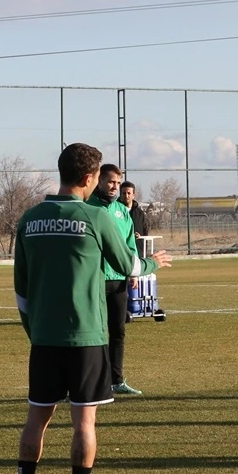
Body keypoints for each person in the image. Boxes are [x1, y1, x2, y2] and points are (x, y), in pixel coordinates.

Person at [13, 143, 171, 474]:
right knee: (84, 423)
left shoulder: (29, 219)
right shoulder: (95, 217)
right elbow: (127, 263)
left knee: (37, 418)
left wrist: (33, 331)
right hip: (86, 338)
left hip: (45, 338)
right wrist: (154, 262)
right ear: (89, 178)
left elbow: (21, 289)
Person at [87, 164, 142, 395]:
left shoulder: (122, 212)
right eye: (110, 182)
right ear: (99, 181)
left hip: (119, 280)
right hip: (95, 280)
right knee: (93, 333)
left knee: (117, 330)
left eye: (118, 183)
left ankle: (116, 380)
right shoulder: (87, 207)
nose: (115, 187)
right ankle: (92, 382)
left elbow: (130, 244)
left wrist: (133, 271)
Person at [120, 180, 150, 252]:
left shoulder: (140, 214)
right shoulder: (114, 211)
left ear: (133, 195)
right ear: (120, 194)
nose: (126, 196)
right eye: (124, 193)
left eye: (129, 193)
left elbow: (145, 232)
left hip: (137, 252)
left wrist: (139, 238)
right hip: (121, 252)